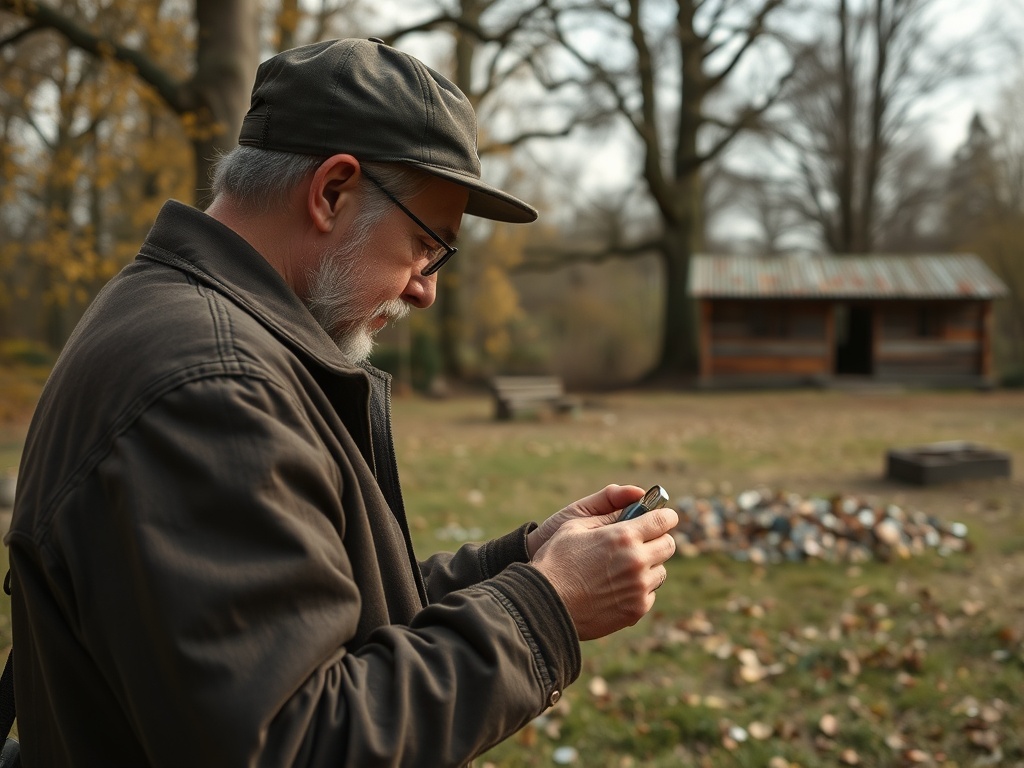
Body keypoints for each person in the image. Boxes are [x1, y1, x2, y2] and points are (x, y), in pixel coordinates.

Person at [5, 38, 678, 767]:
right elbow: (297, 743)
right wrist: (546, 608)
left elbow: (318, 615)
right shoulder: (213, 389)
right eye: (426, 245)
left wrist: (523, 562)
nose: (425, 288)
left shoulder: (194, 331)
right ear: (331, 192)